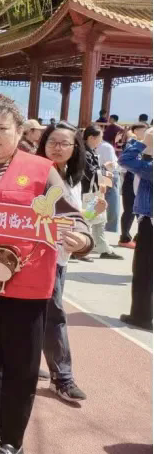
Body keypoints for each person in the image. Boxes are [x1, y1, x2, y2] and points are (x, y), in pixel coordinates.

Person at [0, 96, 91, 454]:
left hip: (25, 284)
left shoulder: (41, 170)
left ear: (19, 131)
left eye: (2, 128)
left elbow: (71, 216)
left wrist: (81, 238)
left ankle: (12, 439)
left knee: (20, 365)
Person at [35, 122, 89, 401]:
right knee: (53, 315)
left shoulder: (74, 178)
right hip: (37, 255)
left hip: (61, 256)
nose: (57, 148)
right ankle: (63, 377)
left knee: (48, 314)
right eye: (52, 142)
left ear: (75, 147)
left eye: (64, 143)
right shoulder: (35, 174)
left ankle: (44, 368)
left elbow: (78, 217)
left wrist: (88, 223)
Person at [118, 127, 153, 331]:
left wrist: (144, 142)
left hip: (150, 222)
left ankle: (141, 316)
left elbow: (125, 160)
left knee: (144, 271)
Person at [82, 125, 120, 260]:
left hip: (95, 192)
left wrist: (105, 173)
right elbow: (90, 174)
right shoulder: (84, 153)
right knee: (87, 220)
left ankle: (104, 249)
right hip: (89, 193)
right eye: (100, 137)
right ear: (91, 138)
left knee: (99, 221)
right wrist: (106, 169)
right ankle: (81, 249)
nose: (101, 140)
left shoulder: (91, 151)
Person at [119, 122, 148, 248]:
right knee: (129, 210)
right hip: (130, 180)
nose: (145, 133)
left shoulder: (146, 144)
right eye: (143, 130)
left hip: (142, 181)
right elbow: (125, 160)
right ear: (135, 131)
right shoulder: (132, 144)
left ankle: (139, 237)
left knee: (142, 211)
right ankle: (125, 238)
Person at [96, 129, 120, 234]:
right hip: (104, 171)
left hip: (104, 171)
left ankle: (109, 226)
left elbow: (109, 164)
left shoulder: (104, 146)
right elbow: (109, 164)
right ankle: (108, 226)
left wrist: (105, 180)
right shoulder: (105, 146)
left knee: (107, 198)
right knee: (108, 199)